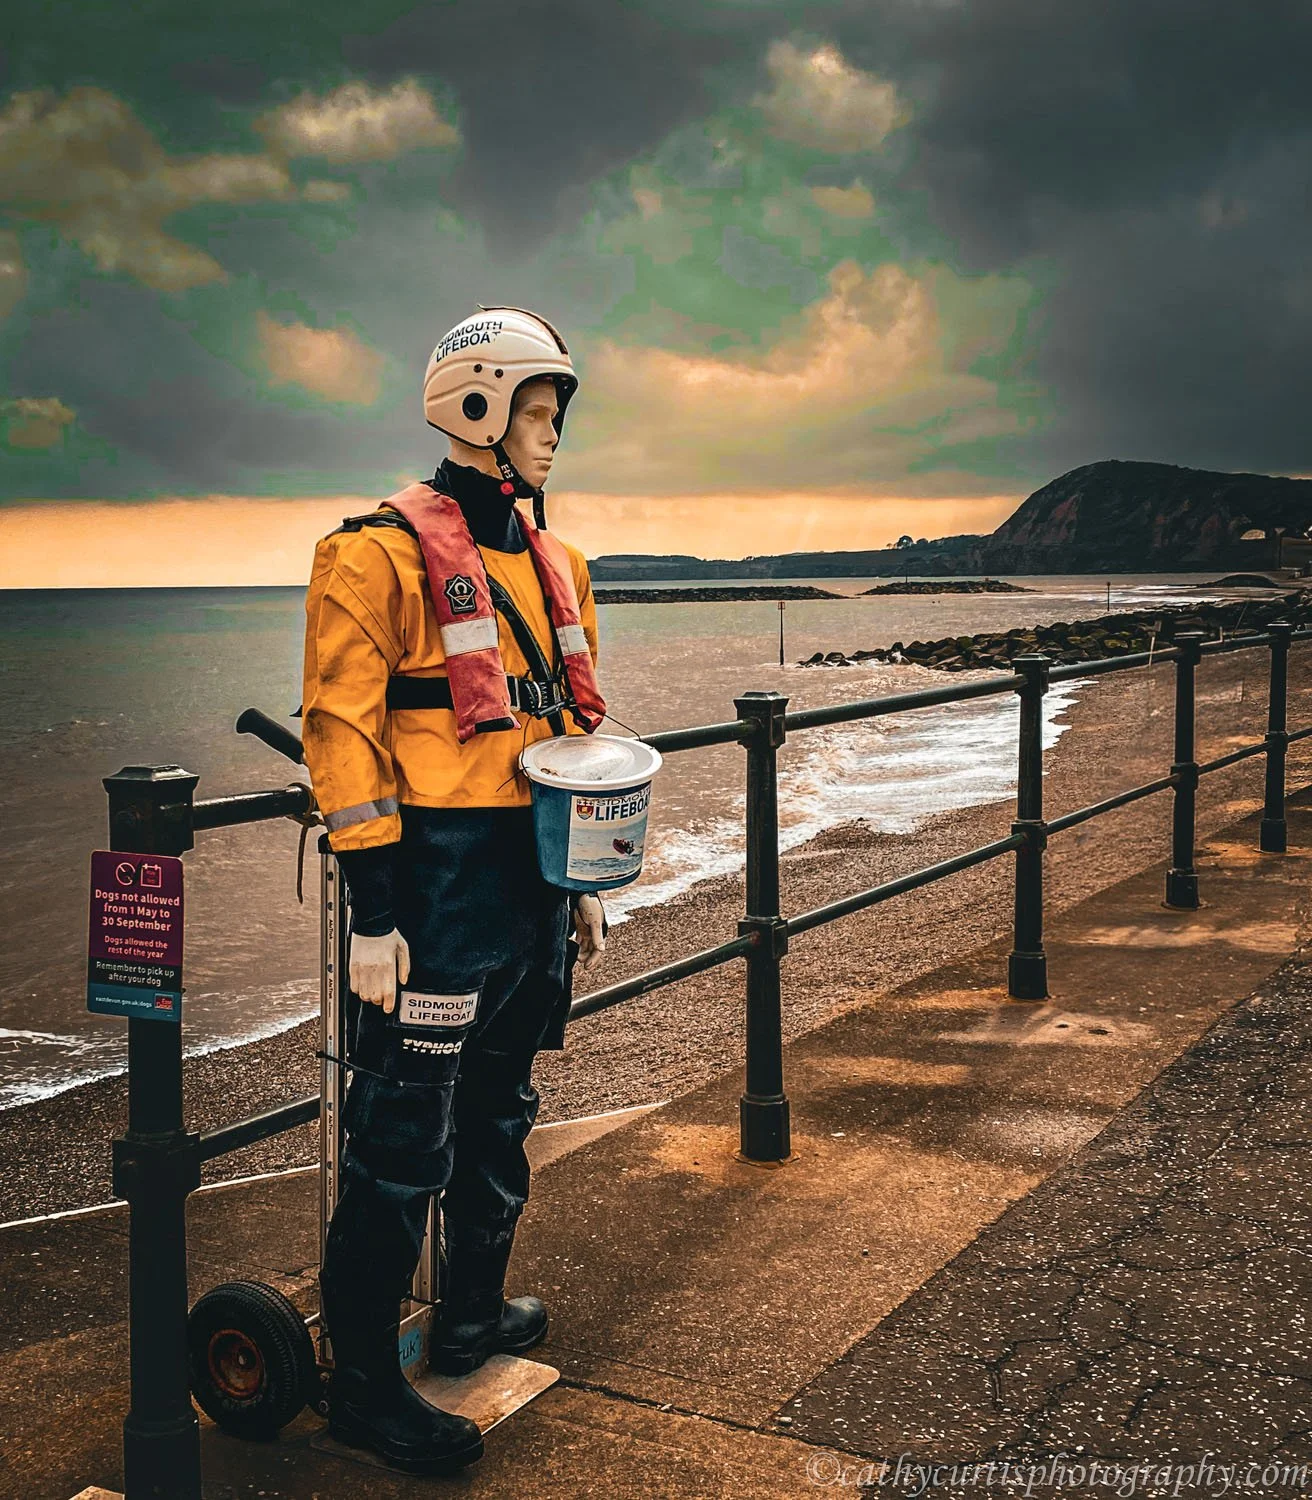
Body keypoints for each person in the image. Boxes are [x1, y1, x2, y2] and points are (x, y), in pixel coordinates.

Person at [300, 306, 608, 1476]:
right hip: (434, 887)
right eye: (537, 410)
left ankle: (469, 1313)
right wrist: (373, 909)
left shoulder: (557, 561)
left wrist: (583, 874)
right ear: (473, 406)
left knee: (501, 1103)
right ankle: (367, 1387)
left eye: (557, 415)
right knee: (400, 1136)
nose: (550, 436)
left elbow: (577, 727)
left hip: (530, 878)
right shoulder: (370, 555)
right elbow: (340, 729)